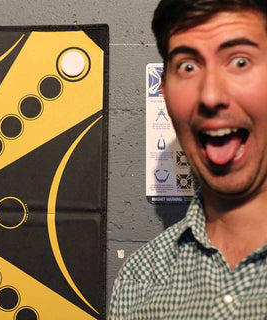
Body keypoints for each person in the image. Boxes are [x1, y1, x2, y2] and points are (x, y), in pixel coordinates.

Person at [109, 0, 267, 318]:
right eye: (188, 67)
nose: (210, 96)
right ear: (165, 93)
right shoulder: (139, 280)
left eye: (239, 62)